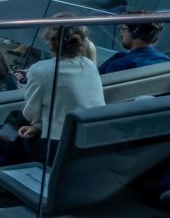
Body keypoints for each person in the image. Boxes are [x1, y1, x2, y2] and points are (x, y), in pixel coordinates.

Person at [13, 22, 104, 159]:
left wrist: (36, 124)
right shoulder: (89, 65)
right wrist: (38, 126)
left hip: (57, 148)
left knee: (11, 132)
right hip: (90, 144)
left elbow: (30, 114)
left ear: (49, 40)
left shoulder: (41, 70)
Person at [100, 18, 169, 73]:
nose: (121, 33)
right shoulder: (165, 60)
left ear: (135, 32)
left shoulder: (120, 65)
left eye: (124, 29)